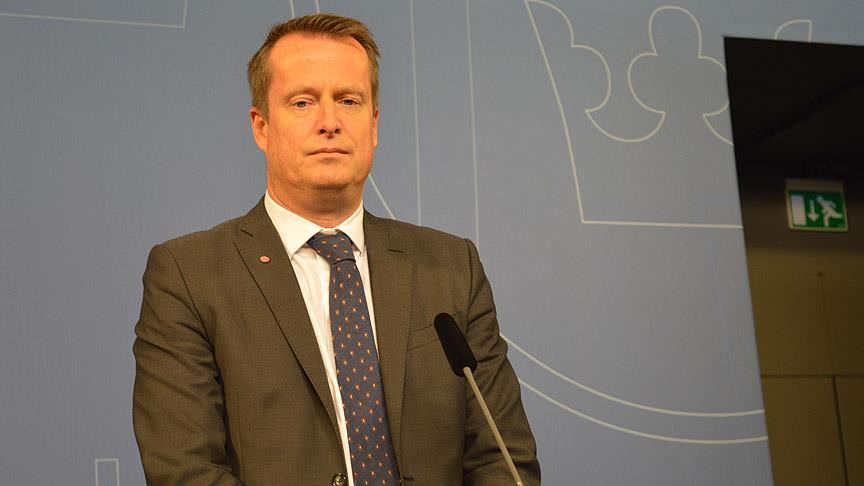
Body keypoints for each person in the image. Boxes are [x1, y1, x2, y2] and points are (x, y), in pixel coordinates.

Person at [132, 13, 540, 486]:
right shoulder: (190, 276)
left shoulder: (451, 268)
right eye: (303, 102)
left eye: (348, 100)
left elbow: (503, 460)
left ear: (374, 124)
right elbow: (185, 472)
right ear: (261, 127)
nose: (329, 123)